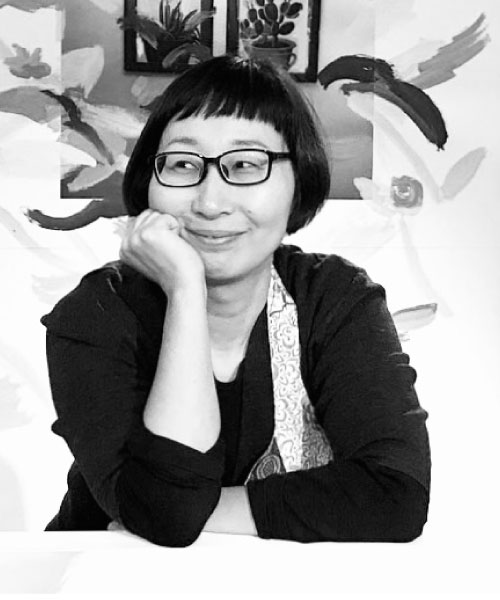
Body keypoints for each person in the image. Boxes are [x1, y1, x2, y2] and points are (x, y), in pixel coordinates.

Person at [42, 55, 431, 546]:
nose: (210, 202)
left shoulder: (333, 298)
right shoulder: (98, 312)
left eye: (246, 165)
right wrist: (186, 290)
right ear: (149, 182)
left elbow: (394, 496)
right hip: (108, 575)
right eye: (183, 165)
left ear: (299, 180)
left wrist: (196, 511)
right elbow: (166, 516)